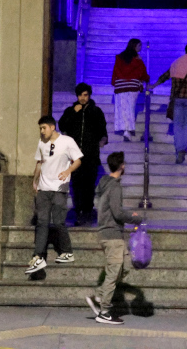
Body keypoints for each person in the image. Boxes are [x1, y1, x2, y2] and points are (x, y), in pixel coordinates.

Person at [86, 151, 143, 325]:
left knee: (124, 266)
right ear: (122, 166)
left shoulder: (105, 183)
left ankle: (100, 296)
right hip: (112, 235)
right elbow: (117, 213)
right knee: (113, 272)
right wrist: (135, 218)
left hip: (109, 234)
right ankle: (104, 311)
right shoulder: (115, 186)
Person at [26, 115, 83, 274]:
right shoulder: (41, 143)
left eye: (44, 128)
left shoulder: (67, 141)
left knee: (58, 222)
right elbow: (39, 162)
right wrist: (35, 180)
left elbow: (78, 160)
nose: (42, 131)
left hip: (59, 188)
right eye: (40, 129)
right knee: (42, 222)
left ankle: (67, 251)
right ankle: (38, 256)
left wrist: (68, 170)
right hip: (44, 189)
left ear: (52, 127)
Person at [58, 82, 109, 226]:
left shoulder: (96, 111)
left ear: (89, 95)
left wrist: (101, 141)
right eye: (80, 95)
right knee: (77, 183)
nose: (82, 98)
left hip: (90, 155)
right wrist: (74, 112)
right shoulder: (71, 111)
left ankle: (87, 210)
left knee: (89, 184)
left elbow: (102, 130)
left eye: (85, 95)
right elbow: (62, 125)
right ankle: (78, 209)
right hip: (74, 157)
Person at [152, 43, 187, 164]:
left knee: (178, 125)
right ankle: (182, 148)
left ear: (185, 50)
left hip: (177, 99)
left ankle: (179, 149)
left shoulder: (176, 63)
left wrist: (154, 85)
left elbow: (165, 76)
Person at [110, 38, 149, 142]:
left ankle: (124, 129)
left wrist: (114, 82)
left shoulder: (120, 57)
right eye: (139, 46)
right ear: (134, 46)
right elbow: (142, 73)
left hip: (120, 86)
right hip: (132, 86)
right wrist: (146, 80)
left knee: (122, 109)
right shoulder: (137, 59)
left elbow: (115, 71)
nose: (141, 48)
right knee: (130, 108)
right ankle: (128, 130)